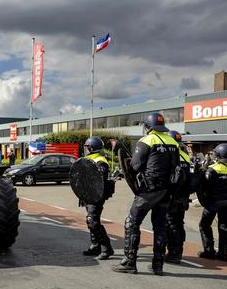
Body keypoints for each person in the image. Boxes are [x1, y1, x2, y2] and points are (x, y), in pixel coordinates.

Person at [112, 112, 178, 275]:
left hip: (148, 191)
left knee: (132, 223)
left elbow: (135, 166)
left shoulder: (147, 140)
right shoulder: (173, 142)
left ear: (148, 127)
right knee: (160, 227)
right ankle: (158, 265)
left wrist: (127, 165)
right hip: (166, 191)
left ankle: (129, 261)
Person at [197, 143, 227, 261]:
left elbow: (205, 184)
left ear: (219, 155)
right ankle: (223, 253)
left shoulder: (213, 169)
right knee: (224, 226)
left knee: (204, 225)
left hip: (213, 202)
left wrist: (203, 169)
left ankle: (209, 250)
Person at [79, 137, 115, 260]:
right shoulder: (87, 159)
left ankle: (107, 248)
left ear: (92, 148)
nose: (85, 149)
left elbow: (99, 179)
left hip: (96, 196)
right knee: (91, 221)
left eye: (86, 147)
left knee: (93, 221)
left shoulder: (101, 161)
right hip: (88, 195)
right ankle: (95, 246)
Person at [164, 130, 195, 264]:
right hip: (183, 196)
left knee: (171, 224)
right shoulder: (185, 156)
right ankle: (179, 250)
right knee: (179, 224)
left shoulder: (169, 155)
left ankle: (174, 253)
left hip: (172, 196)